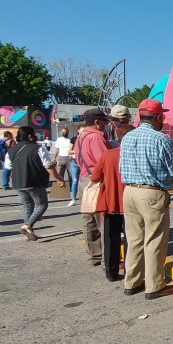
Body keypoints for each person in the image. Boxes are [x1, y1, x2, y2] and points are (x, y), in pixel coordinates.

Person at [119, 99, 173, 299]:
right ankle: (154, 285)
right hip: (152, 192)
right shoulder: (160, 139)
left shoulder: (127, 137)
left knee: (134, 239)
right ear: (157, 117)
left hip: (129, 191)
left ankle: (132, 281)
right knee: (155, 240)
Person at [5, 126, 65, 240]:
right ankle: (27, 226)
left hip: (18, 183)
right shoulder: (38, 148)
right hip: (35, 181)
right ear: (29, 136)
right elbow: (48, 165)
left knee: (27, 205)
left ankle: (30, 231)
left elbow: (7, 166)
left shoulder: (11, 150)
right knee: (42, 205)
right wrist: (59, 178)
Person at [92, 125, 133, 282]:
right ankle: (131, 269)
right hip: (130, 203)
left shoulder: (107, 155)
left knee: (110, 238)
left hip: (110, 202)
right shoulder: (135, 155)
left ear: (117, 137)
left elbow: (95, 177)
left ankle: (111, 271)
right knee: (132, 238)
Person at [73, 108, 111, 266]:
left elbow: (77, 159)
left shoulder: (80, 137)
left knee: (89, 221)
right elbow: (105, 160)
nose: (106, 124)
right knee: (102, 221)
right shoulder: (96, 137)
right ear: (97, 122)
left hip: (83, 180)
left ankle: (94, 255)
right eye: (104, 121)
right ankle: (106, 257)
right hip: (96, 180)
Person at [66, 124, 85, 206]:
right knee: (74, 180)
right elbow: (69, 150)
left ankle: (84, 199)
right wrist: (76, 151)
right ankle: (73, 199)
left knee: (84, 180)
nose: (83, 132)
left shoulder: (86, 139)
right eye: (82, 130)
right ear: (78, 130)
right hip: (75, 162)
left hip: (84, 162)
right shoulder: (74, 139)